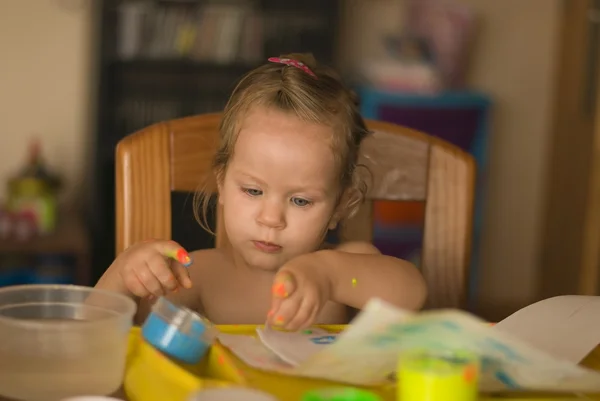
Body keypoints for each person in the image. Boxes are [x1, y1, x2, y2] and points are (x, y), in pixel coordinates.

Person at [95, 53, 427, 330]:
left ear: (340, 205)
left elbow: (411, 293)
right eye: (253, 191)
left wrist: (330, 277)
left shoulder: (349, 271)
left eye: (300, 200)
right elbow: (96, 330)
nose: (271, 219)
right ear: (222, 183)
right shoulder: (201, 276)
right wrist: (123, 272)